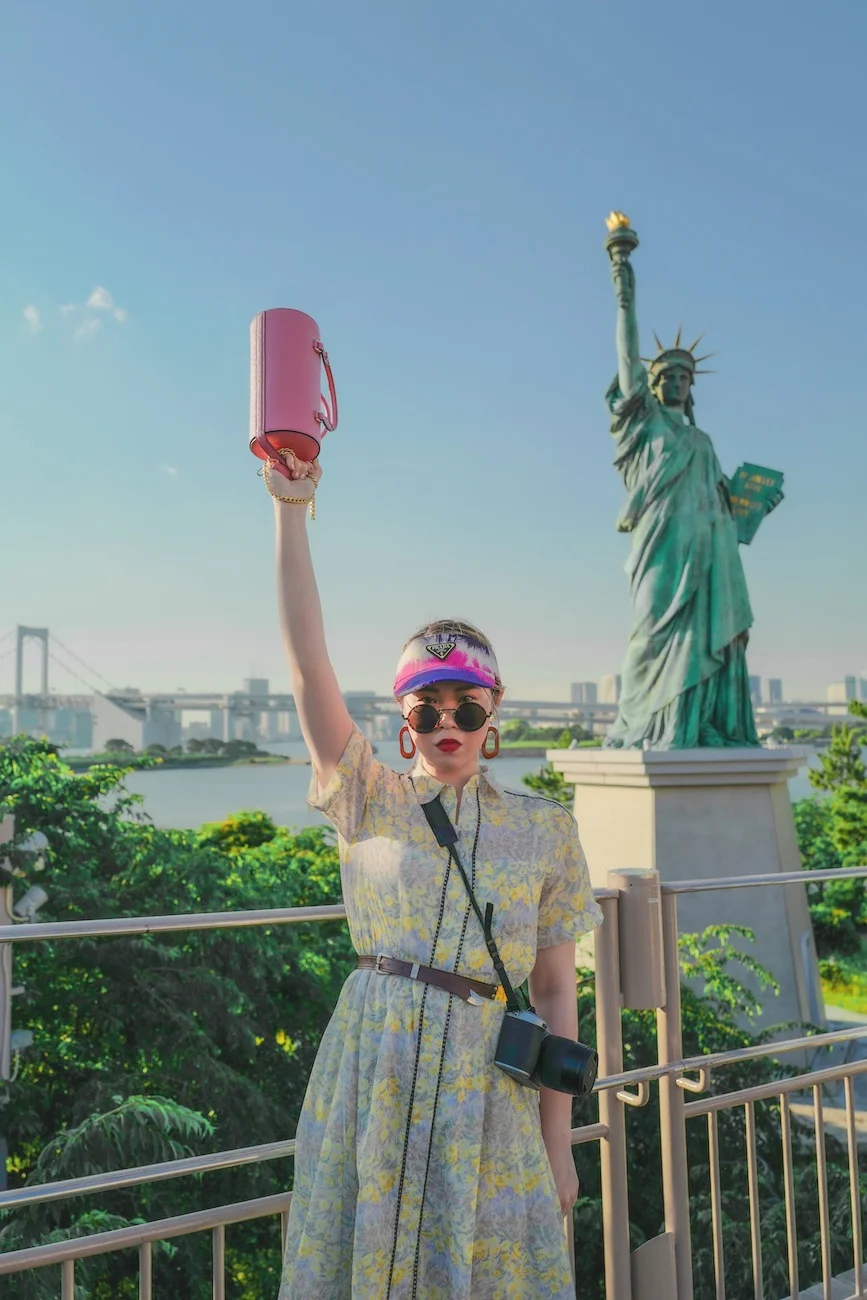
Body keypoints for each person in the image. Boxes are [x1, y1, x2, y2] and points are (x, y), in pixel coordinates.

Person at [268, 447, 603, 1299]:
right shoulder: (366, 799)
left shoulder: (544, 829)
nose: (447, 721)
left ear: (493, 715)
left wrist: (559, 1148)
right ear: (403, 719)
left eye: (467, 706)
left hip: (485, 1092)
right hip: (371, 1074)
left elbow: (556, 993)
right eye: (427, 707)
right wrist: (289, 509)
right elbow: (310, 668)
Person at [604, 224, 784, 749]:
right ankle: (645, 725)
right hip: (661, 547)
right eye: (666, 375)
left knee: (708, 636)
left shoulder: (703, 442)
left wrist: (757, 503)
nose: (676, 381)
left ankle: (694, 724)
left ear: (691, 386)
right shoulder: (644, 427)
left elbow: (725, 503)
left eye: (684, 376)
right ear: (652, 385)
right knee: (649, 635)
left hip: (708, 555)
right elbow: (627, 350)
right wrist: (622, 280)